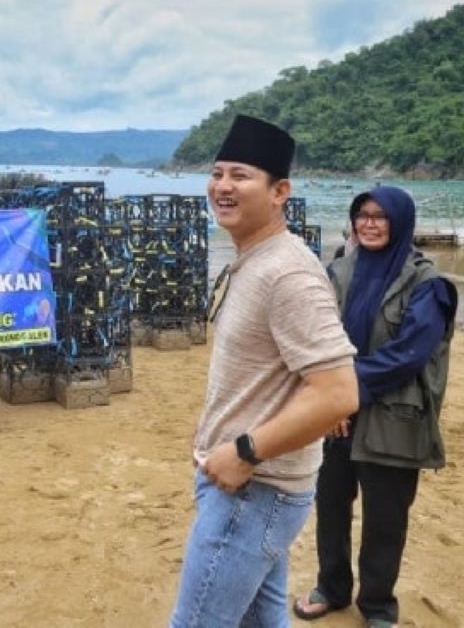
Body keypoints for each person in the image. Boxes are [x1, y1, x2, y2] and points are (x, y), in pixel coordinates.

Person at [170, 115, 359, 627]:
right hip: (246, 485)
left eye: (241, 176)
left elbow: (338, 393)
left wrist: (243, 450)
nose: (222, 187)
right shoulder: (253, 258)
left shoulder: (289, 273)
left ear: (280, 192)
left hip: (255, 490)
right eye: (217, 173)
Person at [293, 186, 457, 628]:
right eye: (362, 214)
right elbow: (314, 338)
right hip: (335, 416)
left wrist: (345, 392)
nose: (369, 223)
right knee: (329, 504)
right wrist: (329, 399)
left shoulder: (428, 284)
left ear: (400, 223)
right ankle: (331, 587)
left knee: (385, 519)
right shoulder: (337, 272)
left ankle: (378, 605)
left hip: (392, 416)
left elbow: (410, 353)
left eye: (380, 216)